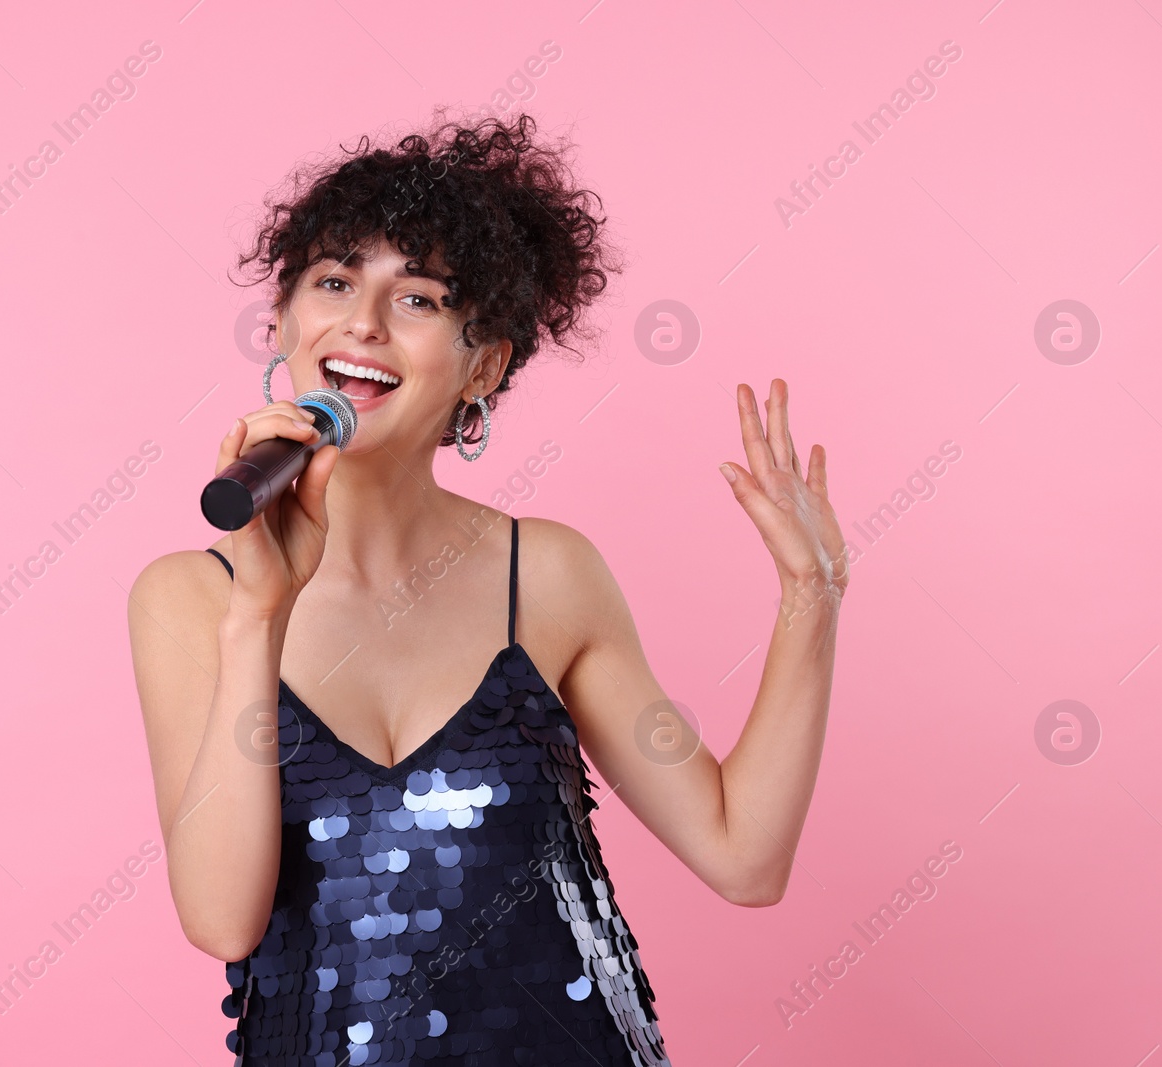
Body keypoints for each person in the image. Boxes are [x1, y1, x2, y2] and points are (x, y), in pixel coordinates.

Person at [128, 113, 848, 1065]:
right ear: (283, 324)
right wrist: (260, 613)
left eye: (417, 298)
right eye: (335, 282)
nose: (364, 322)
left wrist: (813, 593)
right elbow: (222, 920)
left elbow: (743, 854)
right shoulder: (189, 598)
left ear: (485, 365)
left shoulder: (547, 575)